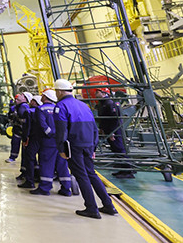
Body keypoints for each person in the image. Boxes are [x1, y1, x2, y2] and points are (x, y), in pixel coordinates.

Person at [54, 79, 118, 219]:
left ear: (59, 91)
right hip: (88, 145)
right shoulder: (84, 105)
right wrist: (93, 147)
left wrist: (61, 149)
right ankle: (109, 206)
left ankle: (91, 208)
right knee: (91, 174)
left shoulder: (61, 106)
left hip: (74, 146)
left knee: (81, 176)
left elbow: (61, 130)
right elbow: (94, 128)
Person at [31, 89, 73, 196]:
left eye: (42, 95)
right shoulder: (58, 107)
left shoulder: (40, 109)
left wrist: (50, 134)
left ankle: (44, 188)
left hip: (48, 141)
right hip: (61, 140)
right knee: (62, 164)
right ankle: (66, 188)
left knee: (46, 163)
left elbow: (42, 124)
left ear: (45, 97)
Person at [96, 88, 135, 179]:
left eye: (97, 92)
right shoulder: (102, 103)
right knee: (116, 149)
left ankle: (128, 171)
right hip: (109, 130)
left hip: (114, 131)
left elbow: (115, 119)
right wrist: (102, 129)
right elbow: (103, 118)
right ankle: (123, 169)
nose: (95, 94)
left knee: (119, 149)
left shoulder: (110, 103)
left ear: (103, 93)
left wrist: (112, 132)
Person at [18, 93, 40, 188]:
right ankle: (39, 176)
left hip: (31, 139)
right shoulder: (43, 111)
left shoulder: (29, 112)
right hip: (44, 139)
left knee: (29, 159)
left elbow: (27, 127)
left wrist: (24, 138)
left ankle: (30, 181)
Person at [5, 95, 25, 163]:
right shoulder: (14, 108)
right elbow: (10, 116)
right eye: (16, 99)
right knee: (15, 143)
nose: (16, 101)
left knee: (26, 145)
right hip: (17, 128)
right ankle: (12, 157)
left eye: (18, 99)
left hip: (24, 129)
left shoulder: (24, 107)